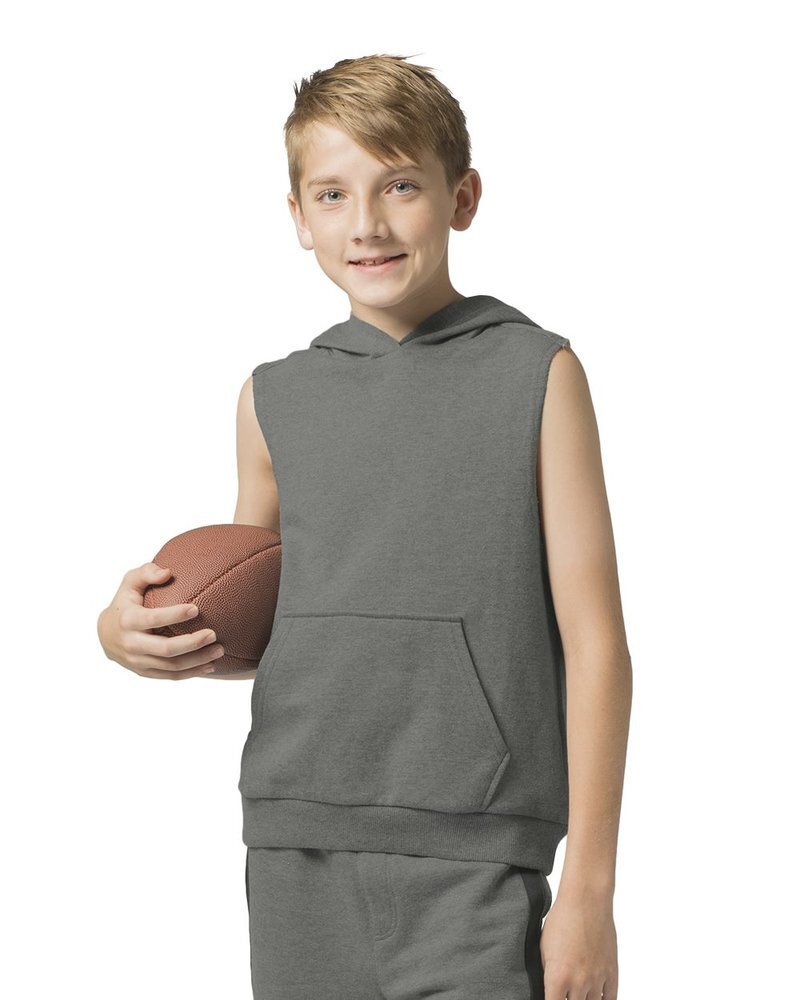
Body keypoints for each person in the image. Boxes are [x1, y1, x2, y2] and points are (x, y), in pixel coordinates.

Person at [97, 53, 632, 1000]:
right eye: (333, 194)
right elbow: (270, 621)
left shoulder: (536, 376)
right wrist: (132, 633)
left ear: (462, 198)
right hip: (294, 841)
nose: (367, 224)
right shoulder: (272, 398)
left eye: (400, 186)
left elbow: (596, 645)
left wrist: (589, 892)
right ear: (298, 218)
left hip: (477, 848)